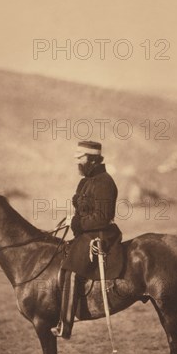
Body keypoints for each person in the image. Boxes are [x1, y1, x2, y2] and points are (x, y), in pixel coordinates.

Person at [52, 140, 121, 339]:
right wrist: (71, 219)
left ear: (90, 159)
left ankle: (65, 325)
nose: (77, 162)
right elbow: (83, 211)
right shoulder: (86, 181)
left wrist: (76, 222)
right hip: (85, 232)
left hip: (100, 234)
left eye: (80, 157)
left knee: (72, 269)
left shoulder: (105, 182)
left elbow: (102, 217)